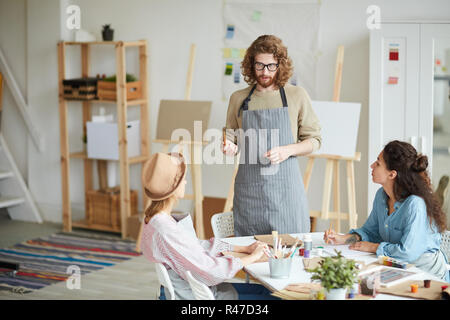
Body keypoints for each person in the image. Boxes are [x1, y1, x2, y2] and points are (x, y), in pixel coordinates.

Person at [141, 152, 278, 299]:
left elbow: (197, 246)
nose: (185, 182)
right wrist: (253, 257)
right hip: (201, 295)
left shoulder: (155, 220)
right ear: (173, 187)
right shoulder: (166, 229)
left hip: (191, 290)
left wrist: (244, 249)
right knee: (274, 295)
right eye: (182, 179)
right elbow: (211, 271)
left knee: (266, 291)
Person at [222, 34, 322, 236]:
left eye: (271, 66)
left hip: (286, 192)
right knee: (250, 254)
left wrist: (288, 150)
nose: (265, 72)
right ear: (251, 65)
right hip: (250, 192)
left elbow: (315, 140)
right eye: (259, 66)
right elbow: (230, 135)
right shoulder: (238, 98)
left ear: (280, 65)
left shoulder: (296, 95)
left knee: (290, 252)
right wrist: (228, 145)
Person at [324, 140, 449, 282]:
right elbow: (371, 231)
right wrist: (344, 238)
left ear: (392, 174)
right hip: (400, 270)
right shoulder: (382, 196)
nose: (372, 166)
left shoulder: (415, 204)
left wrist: (373, 247)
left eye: (378, 163)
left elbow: (407, 253)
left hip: (428, 278)